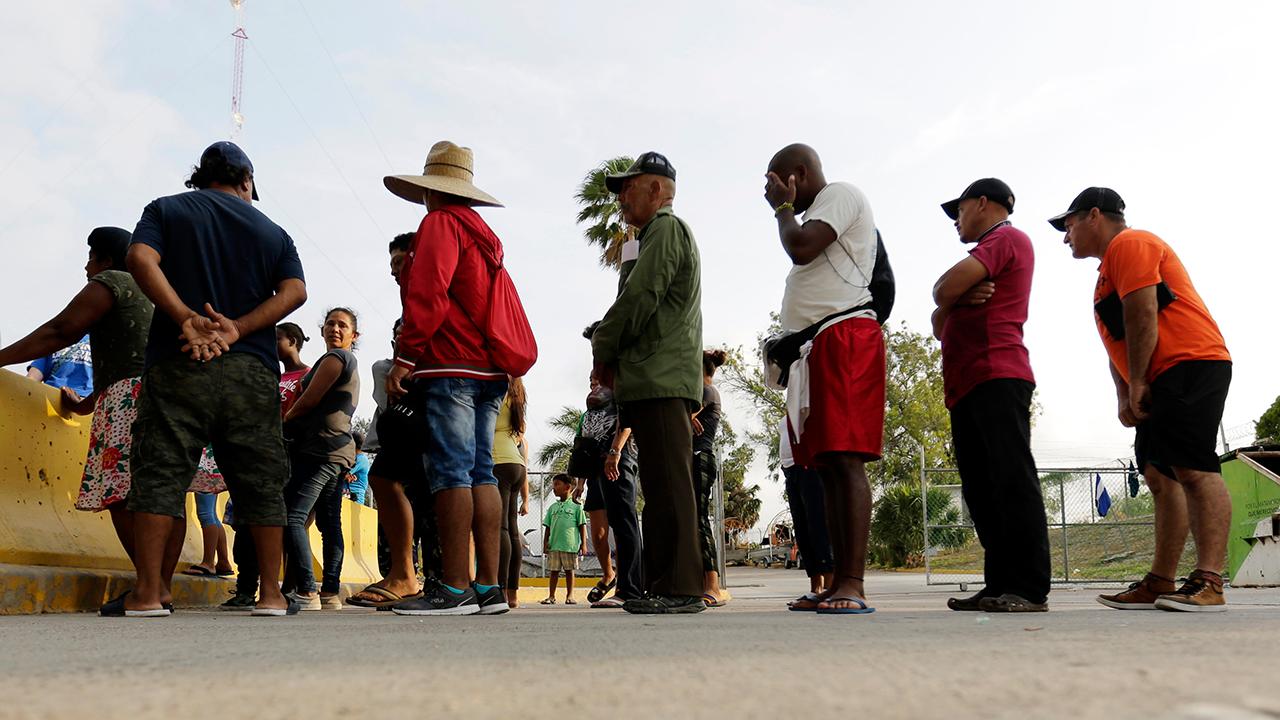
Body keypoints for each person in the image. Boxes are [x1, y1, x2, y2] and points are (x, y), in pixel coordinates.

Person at [0, 226, 225, 615]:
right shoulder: (163, 294)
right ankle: (162, 589)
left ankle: (147, 589)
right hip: (178, 397)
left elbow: (59, 330)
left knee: (122, 494)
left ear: (106, 258)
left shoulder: (113, 281)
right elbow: (136, 349)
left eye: (90, 257)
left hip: (128, 400)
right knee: (166, 495)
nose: (87, 267)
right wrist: (89, 402)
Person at [123, 140, 306, 617]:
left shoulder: (165, 210)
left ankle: (146, 594)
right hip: (250, 368)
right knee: (260, 481)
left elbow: (140, 258)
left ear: (200, 177)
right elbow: (295, 291)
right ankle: (270, 594)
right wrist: (239, 328)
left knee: (161, 472)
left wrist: (185, 317)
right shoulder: (273, 232)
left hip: (176, 360)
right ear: (246, 182)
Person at [1050, 187, 1233, 612]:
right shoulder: (1105, 274)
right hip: (1155, 375)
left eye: (1069, 224)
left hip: (1190, 363)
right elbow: (1120, 335)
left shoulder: (1132, 243)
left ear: (1095, 214)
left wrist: (1137, 382)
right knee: (1158, 475)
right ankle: (1160, 581)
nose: (1065, 236)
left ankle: (1210, 580)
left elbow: (1142, 311)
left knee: (1193, 468)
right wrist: (1123, 392)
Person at [384, 140, 521, 616]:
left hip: (450, 365)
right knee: (481, 472)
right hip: (490, 369)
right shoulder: (484, 233)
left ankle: (454, 586)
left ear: (430, 190)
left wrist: (406, 357)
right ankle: (488, 587)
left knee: (449, 472)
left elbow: (429, 294)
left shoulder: (440, 223)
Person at [763, 143, 884, 615]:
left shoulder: (840, 194)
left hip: (846, 336)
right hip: (817, 346)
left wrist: (784, 209)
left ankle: (853, 582)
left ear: (797, 174)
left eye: (774, 180)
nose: (769, 191)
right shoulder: (816, 208)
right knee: (827, 465)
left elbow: (801, 246)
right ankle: (835, 581)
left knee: (846, 459)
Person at [591, 151, 705, 615]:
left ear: (656, 189)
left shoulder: (666, 229)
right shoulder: (647, 237)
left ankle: (681, 587)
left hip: (661, 378)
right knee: (659, 490)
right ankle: (664, 585)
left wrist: (603, 345)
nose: (621, 197)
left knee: (671, 488)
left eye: (629, 187)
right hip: (651, 378)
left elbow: (642, 296)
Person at [932, 178, 1050, 613]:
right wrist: (956, 303)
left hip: (998, 373)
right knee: (982, 490)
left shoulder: (1007, 238)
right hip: (967, 385)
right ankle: (999, 583)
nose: (956, 221)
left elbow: (941, 291)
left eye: (959, 210)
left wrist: (950, 298)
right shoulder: (985, 252)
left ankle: (1030, 588)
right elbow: (938, 320)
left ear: (983, 203)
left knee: (1011, 481)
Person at [221, 321, 312, 610]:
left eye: (278, 338)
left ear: (293, 340)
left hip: (285, 453)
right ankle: (245, 588)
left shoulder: (307, 375)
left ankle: (286, 589)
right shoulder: (270, 374)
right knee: (244, 523)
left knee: (274, 522)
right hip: (252, 449)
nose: (272, 344)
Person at [281, 307, 362, 611]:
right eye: (330, 323)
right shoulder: (344, 361)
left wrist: (285, 421)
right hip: (338, 451)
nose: (335, 329)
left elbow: (308, 401)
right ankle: (329, 592)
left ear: (354, 335)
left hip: (322, 451)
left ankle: (306, 590)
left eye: (343, 325)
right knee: (329, 523)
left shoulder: (336, 358)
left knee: (294, 516)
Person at [577, 369, 643, 609]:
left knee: (625, 523)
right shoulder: (598, 402)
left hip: (619, 459)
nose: (594, 384)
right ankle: (625, 587)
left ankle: (629, 590)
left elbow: (626, 422)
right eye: (591, 380)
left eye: (598, 380)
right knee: (619, 521)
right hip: (603, 464)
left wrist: (615, 451)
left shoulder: (621, 390)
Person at [779, 419, 834, 611]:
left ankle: (829, 589)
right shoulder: (790, 409)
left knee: (818, 526)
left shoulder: (810, 403)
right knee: (802, 530)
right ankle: (815, 589)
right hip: (790, 471)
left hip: (809, 466)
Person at [692, 349, 729, 607]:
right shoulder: (699, 395)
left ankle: (713, 586)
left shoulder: (707, 392)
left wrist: (686, 416)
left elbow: (681, 417)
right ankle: (699, 583)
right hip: (692, 458)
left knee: (700, 520)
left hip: (701, 458)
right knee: (692, 523)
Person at [493, 377, 531, 608]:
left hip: (498, 462)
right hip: (516, 465)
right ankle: (513, 594)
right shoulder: (517, 393)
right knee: (512, 532)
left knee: (501, 529)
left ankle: (500, 590)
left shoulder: (498, 391)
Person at [540, 474, 589, 605]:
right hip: (554, 546)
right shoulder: (552, 508)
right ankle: (551, 596)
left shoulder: (577, 507)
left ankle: (570, 595)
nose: (554, 488)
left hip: (570, 545)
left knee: (569, 571)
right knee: (554, 572)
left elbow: (582, 526)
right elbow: (548, 527)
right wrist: (545, 544)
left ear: (567, 487)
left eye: (557, 484)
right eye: (553, 484)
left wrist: (583, 544)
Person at [26, 334, 93, 401]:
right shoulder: (54, 343)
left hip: (85, 402)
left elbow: (31, 380)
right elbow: (31, 379)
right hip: (49, 398)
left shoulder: (100, 343)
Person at [183, 492, 234, 577]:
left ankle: (208, 563)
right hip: (215, 479)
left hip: (206, 479)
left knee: (206, 514)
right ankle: (223, 561)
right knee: (211, 513)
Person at [347, 432, 371, 505]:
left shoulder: (359, 459)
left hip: (354, 499)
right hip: (349, 496)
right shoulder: (359, 458)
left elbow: (343, 475)